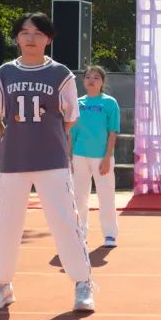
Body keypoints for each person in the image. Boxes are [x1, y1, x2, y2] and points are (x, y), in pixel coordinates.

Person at [0, 12, 95, 312]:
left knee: (65, 221)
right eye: (25, 32)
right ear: (16, 37)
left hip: (52, 160)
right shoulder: (3, 74)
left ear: (48, 39)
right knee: (8, 224)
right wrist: (7, 140)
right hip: (14, 161)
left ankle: (83, 283)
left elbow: (70, 118)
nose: (31, 38)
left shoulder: (61, 74)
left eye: (38, 33)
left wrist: (50, 139)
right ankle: (0, 285)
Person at [70, 65, 121, 248]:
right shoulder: (77, 103)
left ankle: (110, 234)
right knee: (79, 197)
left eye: (96, 77)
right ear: (83, 81)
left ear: (102, 82)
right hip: (79, 156)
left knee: (106, 196)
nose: (91, 80)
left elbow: (113, 132)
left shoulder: (110, 103)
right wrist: (70, 158)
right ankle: (80, 233)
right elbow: (71, 133)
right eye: (88, 77)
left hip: (102, 157)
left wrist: (107, 158)